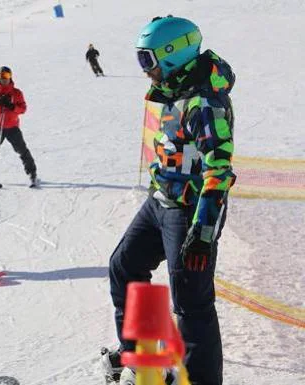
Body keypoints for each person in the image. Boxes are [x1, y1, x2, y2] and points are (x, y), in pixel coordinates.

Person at [101, 16, 236, 385]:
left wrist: (204, 231)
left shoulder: (205, 103)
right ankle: (145, 360)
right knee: (124, 268)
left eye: (148, 60)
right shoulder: (177, 90)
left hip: (192, 212)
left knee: (191, 303)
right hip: (162, 201)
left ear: (173, 55)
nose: (145, 70)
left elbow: (219, 169)